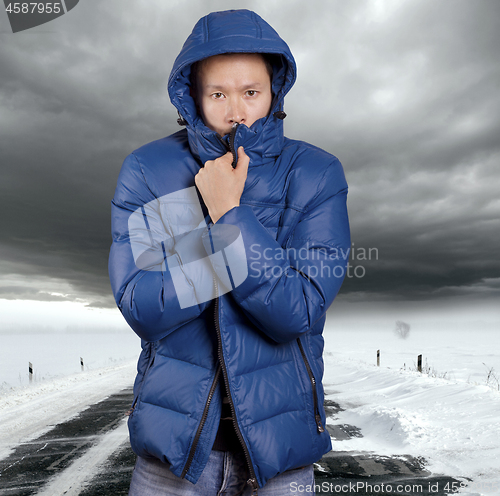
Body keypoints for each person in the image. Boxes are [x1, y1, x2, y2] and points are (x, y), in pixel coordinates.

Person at [109, 9, 350, 496]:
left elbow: (296, 310)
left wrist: (228, 214)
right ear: (192, 95)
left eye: (251, 92)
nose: (236, 112)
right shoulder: (147, 171)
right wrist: (230, 239)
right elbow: (142, 305)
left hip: (280, 460)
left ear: (274, 90)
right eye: (218, 93)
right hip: (172, 461)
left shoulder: (317, 174)